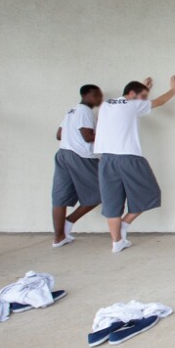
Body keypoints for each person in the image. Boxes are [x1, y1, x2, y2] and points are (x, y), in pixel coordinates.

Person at [94, 76, 175, 253]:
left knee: (112, 201)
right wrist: (173, 90)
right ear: (132, 94)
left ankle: (116, 242)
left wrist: (142, 88)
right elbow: (158, 102)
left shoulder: (106, 105)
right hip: (128, 157)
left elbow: (128, 102)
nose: (145, 101)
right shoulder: (133, 105)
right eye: (143, 96)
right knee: (151, 192)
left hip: (106, 159)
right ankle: (125, 224)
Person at [51, 84, 104, 247]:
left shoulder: (71, 111)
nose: (99, 98)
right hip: (80, 156)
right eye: (97, 95)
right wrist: (107, 133)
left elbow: (59, 135)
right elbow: (87, 137)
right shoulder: (85, 111)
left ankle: (59, 237)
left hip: (63, 154)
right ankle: (69, 221)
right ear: (86, 95)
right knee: (102, 192)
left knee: (60, 197)